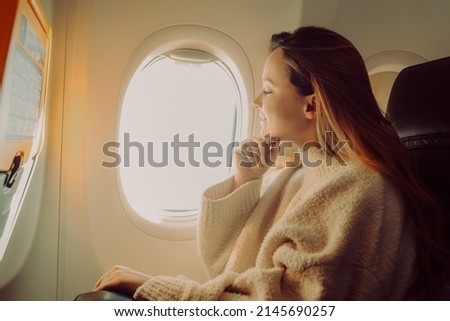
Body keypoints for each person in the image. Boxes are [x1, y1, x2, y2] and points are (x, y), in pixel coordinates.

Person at [94, 26, 448, 300]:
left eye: (267, 88)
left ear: (311, 105)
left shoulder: (359, 189)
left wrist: (157, 289)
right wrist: (245, 180)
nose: (254, 101)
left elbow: (289, 303)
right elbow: (226, 263)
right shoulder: (298, 172)